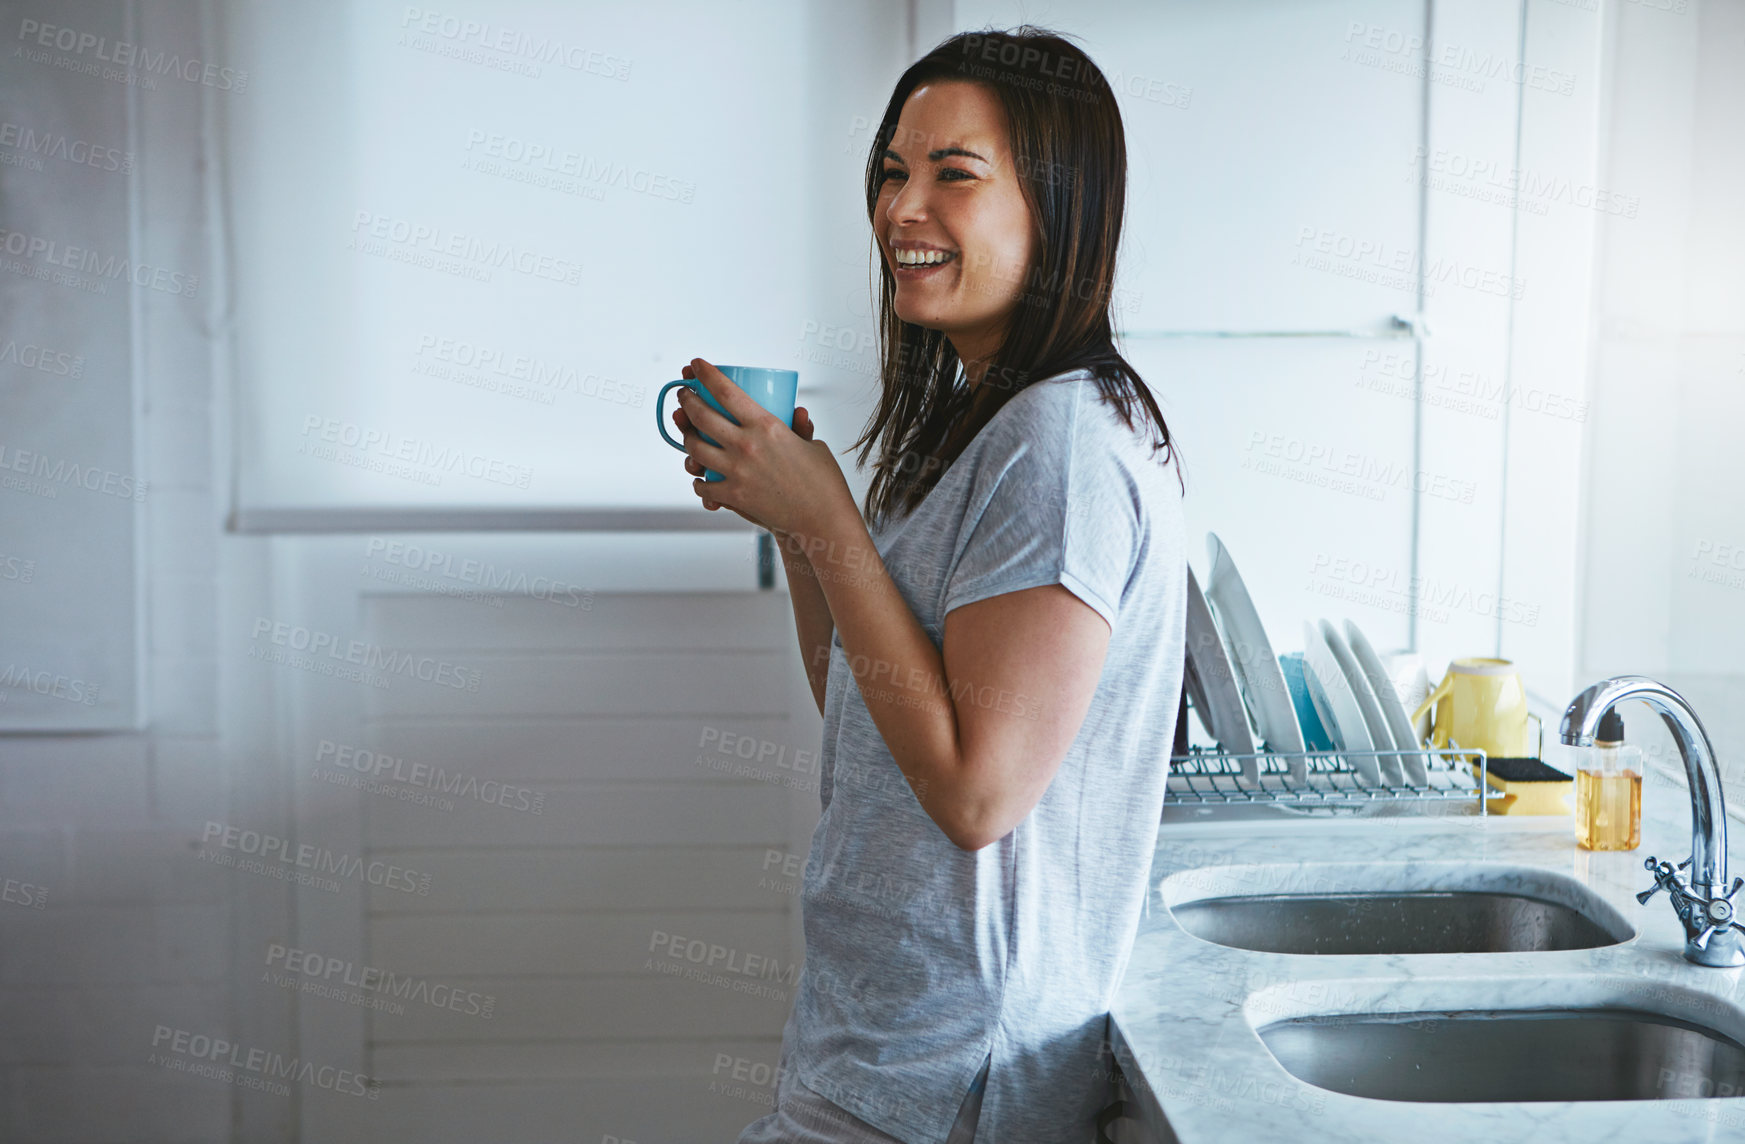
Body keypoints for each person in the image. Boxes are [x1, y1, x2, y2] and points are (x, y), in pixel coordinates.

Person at [668, 25, 1186, 1143]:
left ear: (1058, 210)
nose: (902, 209)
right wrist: (802, 528)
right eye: (893, 171)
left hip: (954, 1065)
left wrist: (827, 515)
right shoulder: (977, 422)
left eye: (954, 174)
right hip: (885, 1045)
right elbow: (862, 705)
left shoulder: (1056, 449)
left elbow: (972, 792)